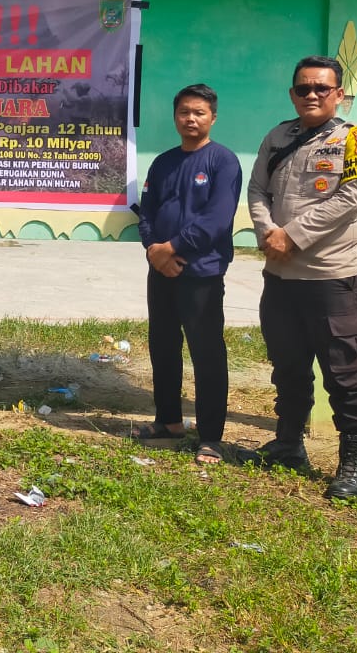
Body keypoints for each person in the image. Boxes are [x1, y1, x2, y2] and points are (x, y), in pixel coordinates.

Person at [247, 55, 357, 499]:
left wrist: (294, 236)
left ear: (338, 94)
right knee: (287, 366)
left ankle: (352, 464)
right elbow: (257, 190)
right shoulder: (277, 135)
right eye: (303, 88)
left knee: (344, 372)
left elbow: (351, 197)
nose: (311, 95)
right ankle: (289, 444)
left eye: (321, 88)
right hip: (281, 276)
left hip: (332, 277)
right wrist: (268, 231)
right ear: (292, 94)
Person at [136, 84, 241, 466]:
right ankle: (169, 422)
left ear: (212, 117)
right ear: (175, 116)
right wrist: (153, 250)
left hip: (201, 271)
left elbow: (217, 219)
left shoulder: (223, 161)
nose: (190, 119)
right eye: (184, 112)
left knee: (206, 352)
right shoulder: (163, 162)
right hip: (160, 269)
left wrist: (173, 249)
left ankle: (211, 436)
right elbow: (146, 213)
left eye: (198, 112)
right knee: (163, 346)